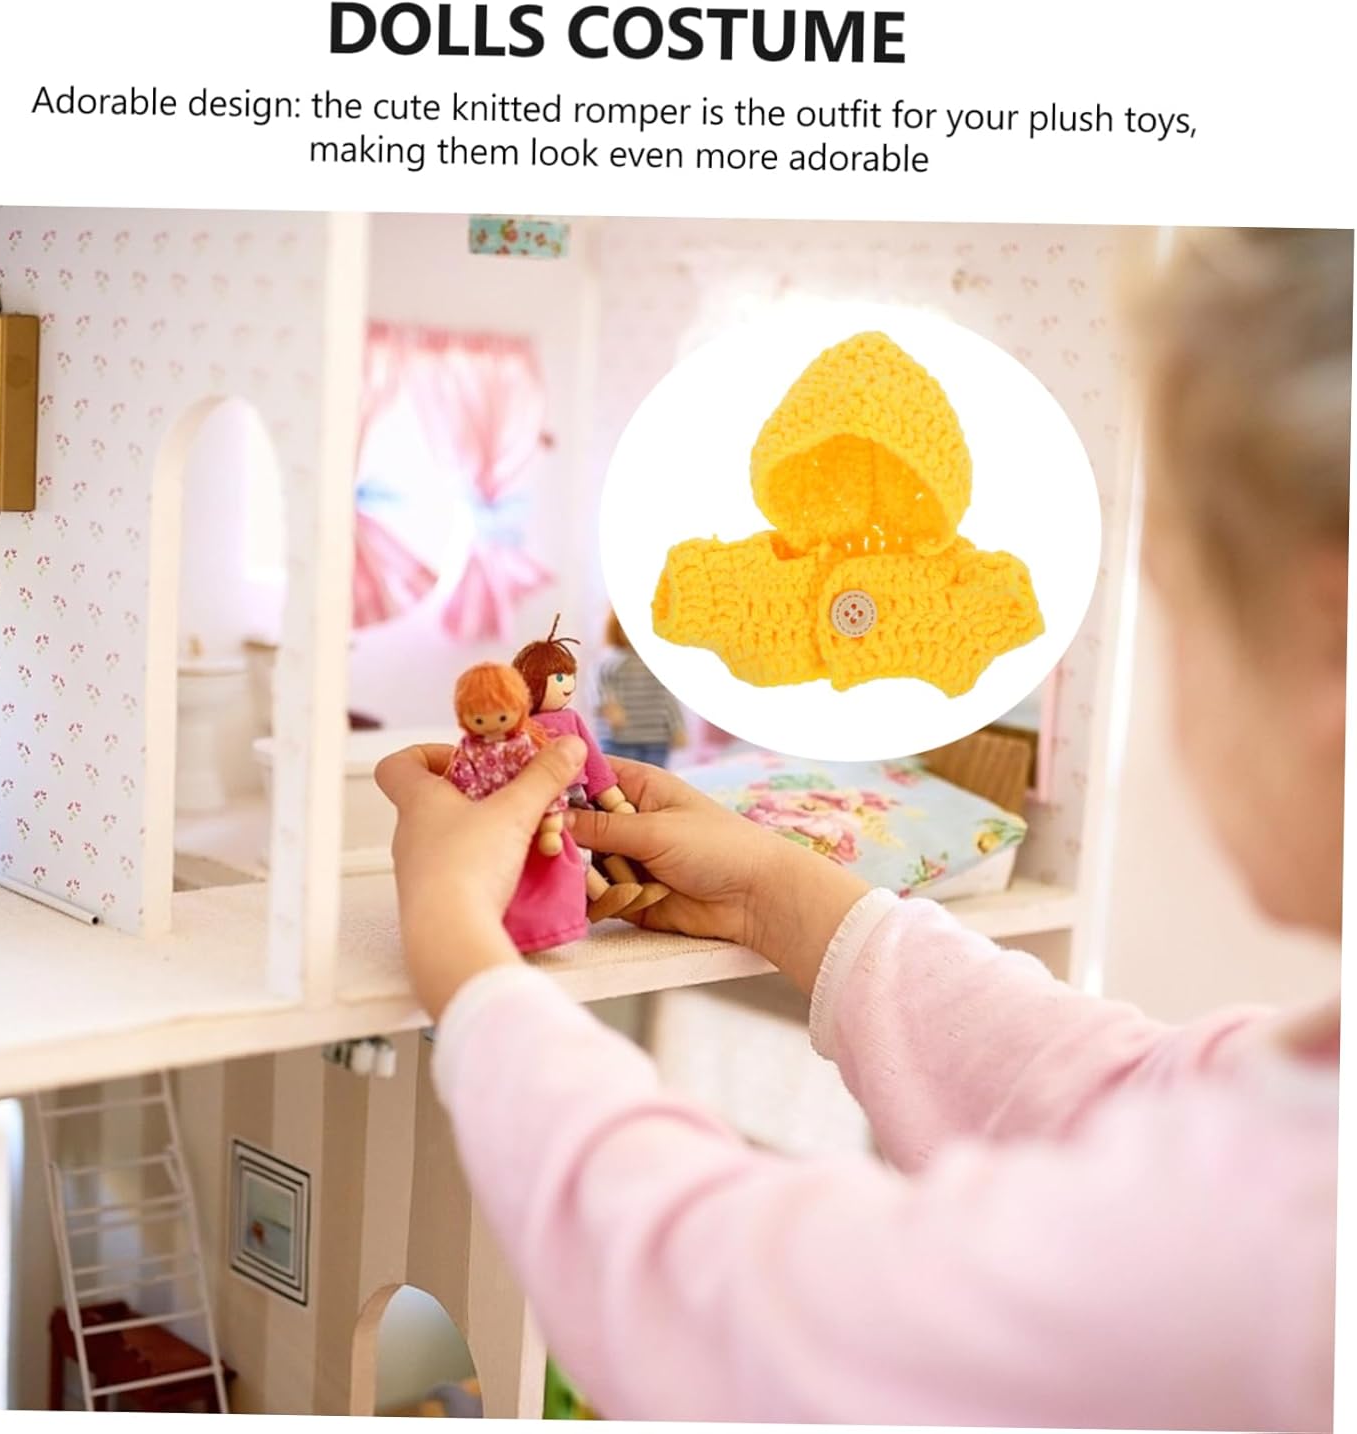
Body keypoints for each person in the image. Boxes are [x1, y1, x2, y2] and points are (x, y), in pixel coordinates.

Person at [375, 229, 1346, 1428]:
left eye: (1179, 608)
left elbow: (727, 1309)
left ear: (1325, 637)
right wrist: (779, 896)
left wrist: (455, 938)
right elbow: (1125, 1092)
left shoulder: (1270, 1250)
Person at [594, 608, 686, 769]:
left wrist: (677, 728)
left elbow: (668, 699)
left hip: (656, 739)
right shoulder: (610, 663)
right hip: (620, 739)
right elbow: (599, 688)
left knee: (656, 777)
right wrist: (608, 706)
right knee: (620, 776)